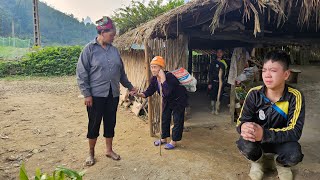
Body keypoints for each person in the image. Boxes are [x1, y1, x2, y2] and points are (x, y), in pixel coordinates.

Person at [76, 16, 137, 166]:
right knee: (94, 124)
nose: (113, 37)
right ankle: (91, 153)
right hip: (95, 96)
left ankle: (109, 150)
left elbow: (121, 73)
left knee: (110, 123)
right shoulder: (89, 50)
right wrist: (87, 94)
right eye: (111, 35)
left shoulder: (114, 51)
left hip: (113, 94)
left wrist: (130, 86)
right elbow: (82, 73)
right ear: (102, 32)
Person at [236, 50, 305, 180]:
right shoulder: (254, 94)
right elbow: (242, 121)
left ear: (286, 74)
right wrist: (243, 127)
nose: (267, 75)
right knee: (244, 144)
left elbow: (295, 131)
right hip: (258, 142)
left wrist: (265, 134)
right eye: (264, 70)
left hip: (282, 142)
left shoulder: (294, 96)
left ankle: (281, 164)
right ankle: (258, 162)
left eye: (273, 71)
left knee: (294, 154)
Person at [136, 56, 188, 150]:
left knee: (177, 120)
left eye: (155, 67)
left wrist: (163, 78)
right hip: (168, 101)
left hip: (179, 100)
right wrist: (138, 94)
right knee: (164, 118)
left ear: (161, 68)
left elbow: (167, 92)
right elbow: (148, 92)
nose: (153, 69)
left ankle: (174, 141)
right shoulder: (154, 79)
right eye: (152, 67)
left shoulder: (170, 77)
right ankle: (164, 139)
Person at [208, 49, 228, 114]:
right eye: (218, 52)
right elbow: (210, 73)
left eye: (221, 52)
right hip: (213, 82)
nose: (219, 54)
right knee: (213, 95)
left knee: (220, 95)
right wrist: (210, 82)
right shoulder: (213, 62)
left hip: (221, 82)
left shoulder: (224, 62)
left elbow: (226, 72)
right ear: (216, 53)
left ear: (223, 53)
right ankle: (213, 108)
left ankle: (217, 108)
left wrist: (224, 81)